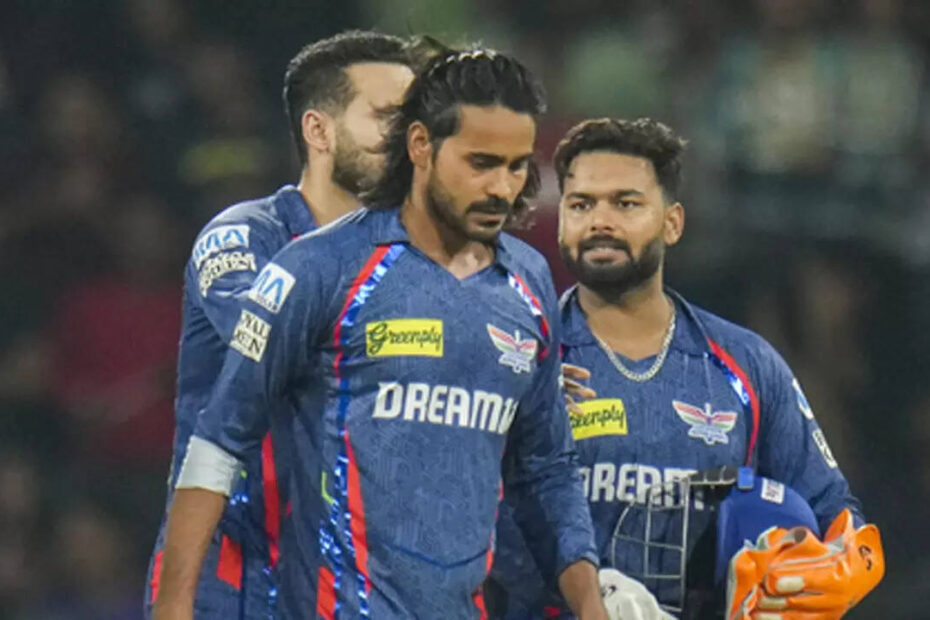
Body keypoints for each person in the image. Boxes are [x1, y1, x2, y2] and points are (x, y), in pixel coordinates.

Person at [153, 48, 608, 620]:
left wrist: (591, 603)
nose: (503, 187)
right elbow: (225, 426)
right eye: (482, 163)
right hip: (251, 577)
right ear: (420, 144)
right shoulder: (297, 257)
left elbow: (546, 468)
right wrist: (174, 605)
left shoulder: (525, 280)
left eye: (518, 167)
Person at [489, 118, 884, 619]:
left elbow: (837, 514)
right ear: (562, 221)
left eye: (626, 203)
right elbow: (452, 506)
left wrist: (839, 571)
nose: (600, 221)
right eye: (581, 204)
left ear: (672, 223)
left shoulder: (747, 365)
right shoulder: (517, 358)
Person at [144, 30, 418, 619]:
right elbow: (268, 335)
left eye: (414, 122)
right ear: (319, 131)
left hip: (349, 577)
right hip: (231, 573)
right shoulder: (242, 237)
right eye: (386, 118)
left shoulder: (414, 264)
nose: (409, 140)